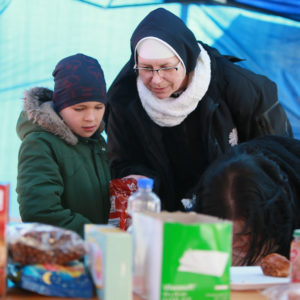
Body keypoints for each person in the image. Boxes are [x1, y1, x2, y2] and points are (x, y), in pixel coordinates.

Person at [105, 7, 293, 212]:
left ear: (185, 58)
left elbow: (275, 159)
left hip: (231, 210)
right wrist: (137, 176)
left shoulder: (239, 89)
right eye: (146, 68)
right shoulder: (125, 98)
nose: (156, 79)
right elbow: (120, 160)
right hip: (162, 212)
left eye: (167, 67)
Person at [16, 53, 111, 237]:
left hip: (98, 254)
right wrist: (98, 235)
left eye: (99, 107)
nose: (91, 117)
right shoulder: (39, 144)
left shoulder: (97, 142)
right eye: (79, 108)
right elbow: (40, 213)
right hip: (64, 260)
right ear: (60, 106)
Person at [192, 135, 300, 266]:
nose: (236, 244)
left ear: (277, 207)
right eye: (228, 236)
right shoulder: (205, 197)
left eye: (246, 234)